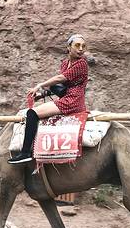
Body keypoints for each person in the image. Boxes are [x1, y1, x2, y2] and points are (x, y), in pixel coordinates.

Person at [8, 34, 89, 164]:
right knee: (38, 106)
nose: (81, 49)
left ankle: (25, 153)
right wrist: (42, 95)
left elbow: (60, 79)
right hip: (66, 97)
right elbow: (62, 86)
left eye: (83, 46)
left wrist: (39, 85)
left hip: (74, 100)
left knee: (32, 113)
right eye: (77, 45)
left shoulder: (82, 63)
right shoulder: (65, 64)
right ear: (69, 47)